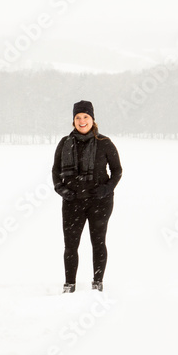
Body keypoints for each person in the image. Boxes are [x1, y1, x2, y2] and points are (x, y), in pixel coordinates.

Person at [52, 99, 122, 293]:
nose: (82, 121)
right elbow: (55, 172)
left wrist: (106, 189)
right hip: (72, 202)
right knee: (70, 245)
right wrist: (62, 190)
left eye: (85, 116)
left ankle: (97, 283)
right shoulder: (65, 143)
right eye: (78, 117)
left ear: (92, 119)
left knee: (98, 241)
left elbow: (117, 171)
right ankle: (69, 284)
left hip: (99, 201)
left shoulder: (105, 143)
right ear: (73, 120)